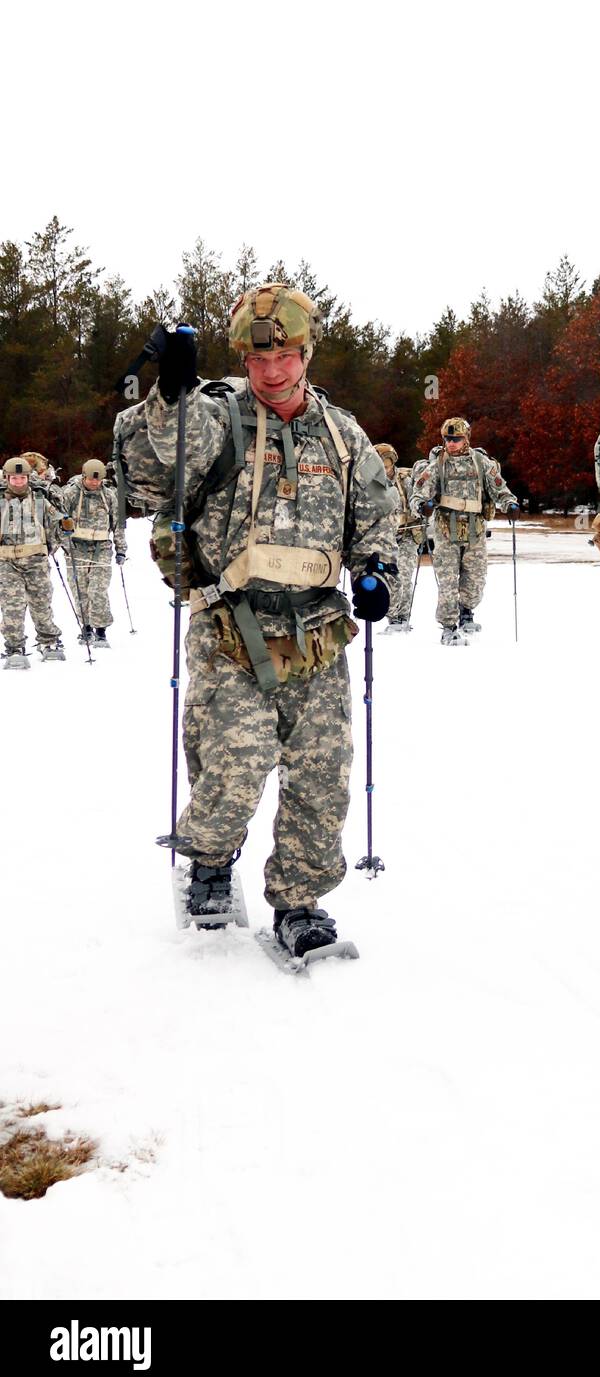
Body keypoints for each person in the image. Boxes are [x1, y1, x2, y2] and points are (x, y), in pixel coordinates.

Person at [116, 285, 397, 958]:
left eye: (286, 355)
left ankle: (300, 902)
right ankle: (210, 861)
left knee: (323, 775)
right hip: (231, 630)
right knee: (235, 768)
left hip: (318, 631)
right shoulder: (220, 419)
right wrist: (170, 393)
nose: (273, 371)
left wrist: (377, 572)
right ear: (244, 357)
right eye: (258, 357)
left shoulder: (341, 432)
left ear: (306, 353)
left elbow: (379, 520)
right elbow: (151, 472)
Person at [411, 417, 518, 645]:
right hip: (446, 531)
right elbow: (419, 492)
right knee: (448, 582)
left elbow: (500, 488)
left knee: (475, 581)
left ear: (466, 439)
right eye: (448, 439)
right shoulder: (437, 465)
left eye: (456, 439)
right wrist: (422, 505)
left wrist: (510, 504)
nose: (451, 443)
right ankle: (449, 626)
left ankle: (467, 610)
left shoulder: (481, 463)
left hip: (475, 531)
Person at [0, 457, 65, 669]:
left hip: (36, 560)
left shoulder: (40, 499)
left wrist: (61, 533)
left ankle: (49, 641)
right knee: (13, 605)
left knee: (41, 602)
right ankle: (14, 647)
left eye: (22, 478)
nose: (18, 482)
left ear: (28, 477)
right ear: (7, 478)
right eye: (14, 478)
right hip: (7, 562)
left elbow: (57, 522)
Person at [58, 460, 127, 648]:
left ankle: (101, 629)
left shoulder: (109, 496)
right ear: (83, 476)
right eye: (91, 480)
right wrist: (65, 545)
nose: (94, 483)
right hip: (77, 546)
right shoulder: (71, 493)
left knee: (98, 589)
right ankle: (86, 627)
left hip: (102, 547)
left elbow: (118, 525)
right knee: (80, 590)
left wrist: (121, 549)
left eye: (98, 480)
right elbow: (59, 519)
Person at [375, 443, 421, 633]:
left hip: (407, 534)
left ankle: (401, 617)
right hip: (384, 538)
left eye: (386, 466)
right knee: (387, 577)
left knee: (404, 574)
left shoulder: (405, 480)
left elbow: (417, 498)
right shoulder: (370, 482)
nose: (384, 470)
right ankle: (392, 614)